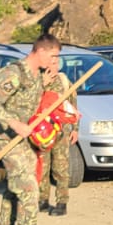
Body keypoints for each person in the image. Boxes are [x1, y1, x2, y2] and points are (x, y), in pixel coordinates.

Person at [0, 33, 61, 225]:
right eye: (53, 56)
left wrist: (44, 85)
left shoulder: (36, 76)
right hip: (7, 140)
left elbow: (30, 101)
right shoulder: (13, 73)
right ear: (41, 51)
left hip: (25, 141)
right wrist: (14, 123)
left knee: (14, 189)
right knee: (28, 188)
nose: (55, 61)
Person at [37, 62, 78, 216]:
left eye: (55, 64)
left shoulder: (65, 81)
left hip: (61, 131)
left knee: (60, 168)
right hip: (42, 132)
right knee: (43, 167)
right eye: (50, 63)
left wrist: (75, 129)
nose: (52, 66)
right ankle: (42, 200)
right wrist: (42, 83)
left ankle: (62, 202)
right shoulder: (38, 81)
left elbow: (73, 106)